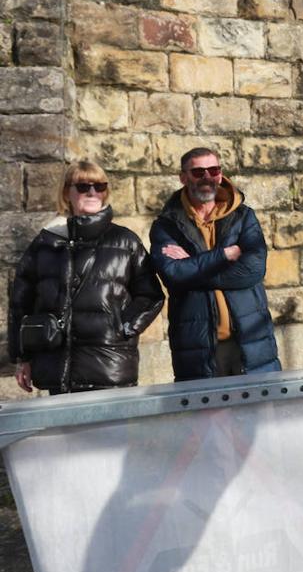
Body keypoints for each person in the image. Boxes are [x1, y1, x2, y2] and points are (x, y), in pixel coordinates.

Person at [7, 161, 164, 395]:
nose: (92, 192)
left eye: (99, 186)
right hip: (58, 371)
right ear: (66, 193)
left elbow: (150, 295)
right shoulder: (45, 243)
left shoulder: (125, 241)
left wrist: (123, 327)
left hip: (109, 368)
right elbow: (21, 305)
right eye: (83, 186)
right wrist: (23, 357)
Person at [150, 147, 281, 381]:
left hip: (251, 341)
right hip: (198, 347)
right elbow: (173, 274)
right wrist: (223, 256)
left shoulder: (243, 217)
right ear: (183, 177)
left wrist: (194, 269)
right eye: (198, 172)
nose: (207, 178)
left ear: (220, 174)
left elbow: (253, 269)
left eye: (214, 170)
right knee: (210, 418)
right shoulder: (166, 225)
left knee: (261, 415)